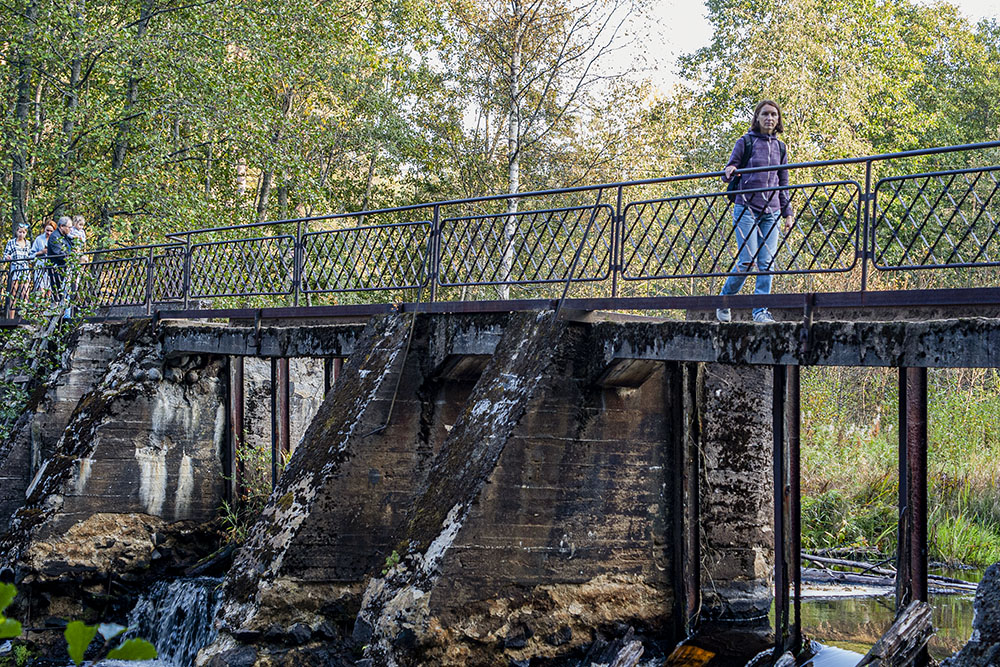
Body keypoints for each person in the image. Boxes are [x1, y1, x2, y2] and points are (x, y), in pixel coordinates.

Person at [716, 99, 795, 323]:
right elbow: (729, 171)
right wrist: (730, 169)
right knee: (747, 261)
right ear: (757, 118)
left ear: (778, 120)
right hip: (746, 207)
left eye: (773, 115)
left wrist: (787, 212)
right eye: (765, 114)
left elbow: (783, 181)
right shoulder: (745, 141)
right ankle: (724, 300)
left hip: (771, 211)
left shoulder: (780, 147)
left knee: (766, 263)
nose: (769, 118)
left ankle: (760, 311)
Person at [3, 223, 33, 318]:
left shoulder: (28, 243)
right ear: (16, 232)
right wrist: (7, 258)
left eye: (23, 232)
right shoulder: (11, 242)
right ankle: (11, 317)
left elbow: (30, 255)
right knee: (14, 293)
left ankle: (23, 317)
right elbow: (5, 255)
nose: (21, 234)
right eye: (20, 232)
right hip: (15, 269)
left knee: (25, 292)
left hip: (25, 268)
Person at [47, 216, 74, 302]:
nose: (70, 229)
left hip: (65, 269)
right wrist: (71, 256)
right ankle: (56, 308)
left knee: (68, 292)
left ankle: (67, 312)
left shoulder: (65, 236)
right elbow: (59, 253)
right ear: (62, 226)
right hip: (57, 269)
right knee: (57, 293)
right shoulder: (55, 237)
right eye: (69, 227)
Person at [31, 221, 55, 298]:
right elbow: (31, 254)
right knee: (40, 290)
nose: (49, 233)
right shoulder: (39, 239)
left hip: (51, 266)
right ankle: (39, 308)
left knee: (49, 290)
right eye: (47, 230)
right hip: (40, 266)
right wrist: (41, 252)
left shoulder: (56, 240)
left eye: (51, 231)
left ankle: (47, 308)